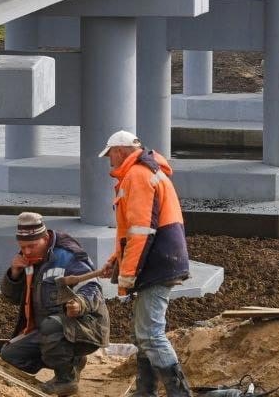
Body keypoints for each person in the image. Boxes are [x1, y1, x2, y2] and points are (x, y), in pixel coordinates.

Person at [99, 130, 192, 397]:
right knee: (143, 334)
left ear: (119, 151)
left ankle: (179, 393)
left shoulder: (138, 176)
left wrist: (127, 274)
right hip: (159, 261)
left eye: (109, 155)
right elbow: (136, 231)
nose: (109, 160)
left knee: (151, 334)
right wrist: (116, 260)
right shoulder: (143, 172)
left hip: (157, 265)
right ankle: (145, 391)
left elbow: (142, 231)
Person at [0, 212, 109, 396]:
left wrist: (80, 303)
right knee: (10, 356)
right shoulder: (29, 260)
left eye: (31, 246)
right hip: (49, 331)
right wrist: (14, 274)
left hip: (86, 327)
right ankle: (72, 361)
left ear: (44, 238)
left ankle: (65, 380)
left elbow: (92, 287)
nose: (26, 251)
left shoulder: (68, 255)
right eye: (22, 247)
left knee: (51, 327)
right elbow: (11, 299)